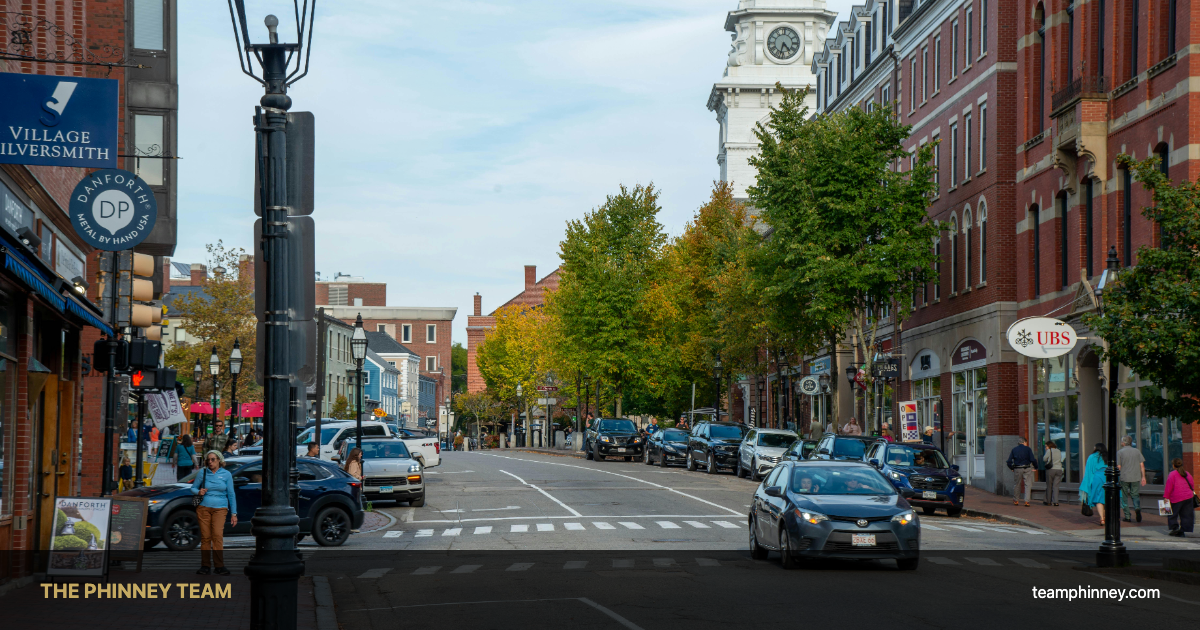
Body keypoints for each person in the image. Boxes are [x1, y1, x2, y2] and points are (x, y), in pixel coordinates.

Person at [189, 450, 237, 575]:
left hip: (220, 508)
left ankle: (219, 566)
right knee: (205, 537)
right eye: (208, 460)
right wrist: (198, 492)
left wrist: (234, 513)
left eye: (213, 459)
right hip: (203, 508)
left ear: (219, 460)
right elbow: (193, 488)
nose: (210, 462)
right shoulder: (203, 473)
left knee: (217, 536)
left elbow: (231, 494)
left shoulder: (226, 474)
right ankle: (205, 566)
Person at [1115, 436, 1146, 523]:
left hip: (1124, 477)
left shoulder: (1120, 452)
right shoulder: (1137, 451)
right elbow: (1142, 465)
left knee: (1124, 497)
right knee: (1135, 495)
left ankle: (1127, 516)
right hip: (1136, 477)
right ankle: (1137, 508)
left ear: (1123, 443)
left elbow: (1119, 467)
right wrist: (1143, 477)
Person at [1164, 458, 1196, 537]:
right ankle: (1182, 531)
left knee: (1172, 514)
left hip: (1176, 497)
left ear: (1174, 465)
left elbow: (1169, 487)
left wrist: (1166, 497)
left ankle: (1175, 529)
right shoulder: (1187, 473)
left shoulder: (1172, 474)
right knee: (1186, 515)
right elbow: (1192, 484)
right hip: (1188, 497)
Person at [1079, 443, 1109, 525]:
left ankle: (1102, 519)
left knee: (1099, 499)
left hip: (1097, 478)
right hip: (1108, 477)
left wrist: (1087, 484)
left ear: (1096, 448)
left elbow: (1089, 471)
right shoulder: (1108, 456)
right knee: (1107, 498)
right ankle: (1106, 516)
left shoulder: (1092, 457)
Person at [1006, 436, 1037, 507]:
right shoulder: (1028, 449)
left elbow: (1009, 461)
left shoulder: (1014, 449)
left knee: (1017, 484)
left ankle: (1016, 500)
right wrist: (1036, 466)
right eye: (1026, 443)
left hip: (1017, 468)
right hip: (1027, 468)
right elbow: (1033, 459)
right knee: (1028, 484)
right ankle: (1027, 501)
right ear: (1024, 442)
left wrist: (1012, 468)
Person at [1042, 440, 1064, 506]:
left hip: (1051, 469)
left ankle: (1048, 501)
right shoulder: (1059, 451)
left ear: (1049, 446)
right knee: (1056, 486)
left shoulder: (1049, 451)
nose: (1045, 448)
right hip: (1059, 469)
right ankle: (1056, 502)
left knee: (1049, 486)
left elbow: (1044, 459)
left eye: (1046, 446)